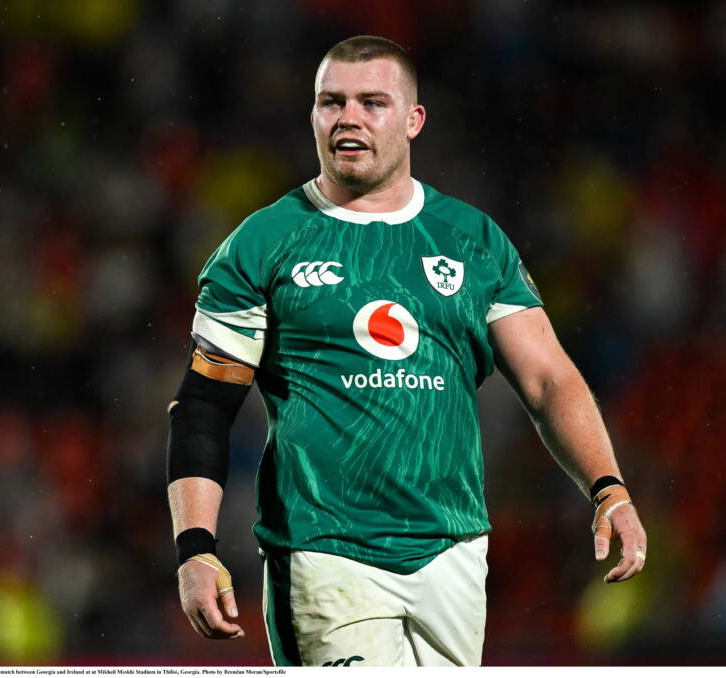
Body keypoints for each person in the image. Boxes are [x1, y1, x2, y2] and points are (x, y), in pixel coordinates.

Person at [165, 35, 647, 667]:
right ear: (312, 115)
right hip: (324, 550)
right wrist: (196, 548)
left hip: (454, 549)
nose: (349, 118)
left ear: (414, 120)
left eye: (373, 102)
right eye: (331, 102)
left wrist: (609, 490)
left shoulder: (473, 240)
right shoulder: (264, 242)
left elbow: (549, 380)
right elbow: (203, 405)